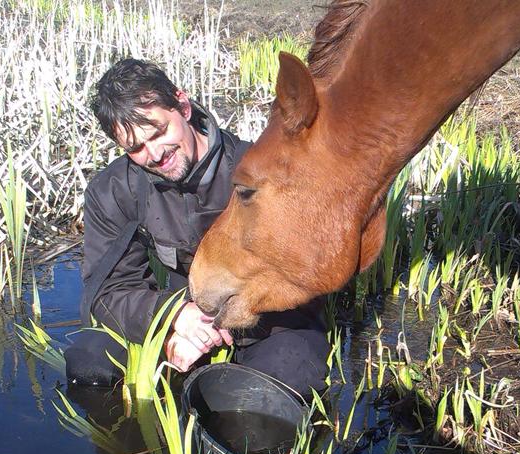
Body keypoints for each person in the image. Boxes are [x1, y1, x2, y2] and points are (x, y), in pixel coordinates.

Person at [67, 58, 329, 397]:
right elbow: (106, 292)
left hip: (268, 323)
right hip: (182, 312)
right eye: (136, 148)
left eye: (159, 132)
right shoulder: (114, 190)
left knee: (275, 389)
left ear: (184, 106)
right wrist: (173, 315)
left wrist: (215, 327)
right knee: (88, 363)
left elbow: (303, 276)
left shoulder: (257, 171)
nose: (155, 154)